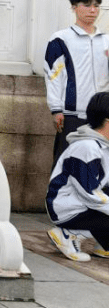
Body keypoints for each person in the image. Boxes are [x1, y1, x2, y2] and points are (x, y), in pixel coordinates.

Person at [43, 0, 109, 259]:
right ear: (74, 7)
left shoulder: (107, 40)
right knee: (71, 168)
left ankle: (99, 236)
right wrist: (56, 108)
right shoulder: (61, 39)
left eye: (96, 6)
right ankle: (66, 223)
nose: (92, 10)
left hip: (103, 113)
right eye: (86, 5)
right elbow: (53, 74)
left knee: (102, 172)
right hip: (72, 112)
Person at [46, 92, 109, 262]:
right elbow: (89, 193)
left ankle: (103, 244)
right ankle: (68, 234)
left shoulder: (103, 147)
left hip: (83, 203)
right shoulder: (87, 148)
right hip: (66, 208)